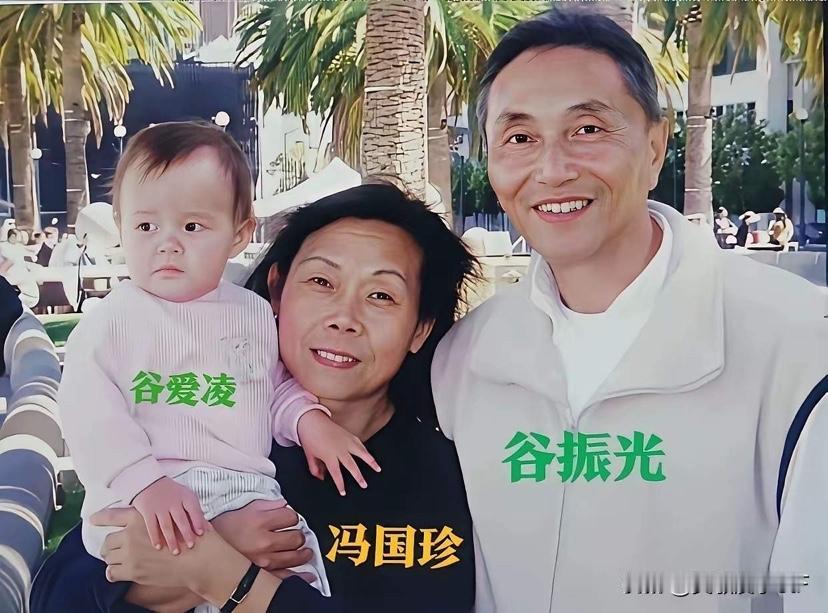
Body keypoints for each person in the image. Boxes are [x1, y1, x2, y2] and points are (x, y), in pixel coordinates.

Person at [430, 8, 827, 613]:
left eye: (588, 129)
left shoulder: (797, 351)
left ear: (656, 145)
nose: (553, 170)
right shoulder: (465, 359)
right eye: (519, 138)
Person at [30, 182, 478, 613]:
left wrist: (221, 570)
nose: (344, 318)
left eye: (381, 295)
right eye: (322, 281)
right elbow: (59, 593)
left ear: (420, 328)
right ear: (277, 290)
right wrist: (201, 549)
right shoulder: (200, 429)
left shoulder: (446, 476)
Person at [53, 123, 387, 611]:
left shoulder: (250, 313)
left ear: (239, 235)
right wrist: (145, 482)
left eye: (192, 227)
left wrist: (309, 421)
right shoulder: (112, 321)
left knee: (295, 555)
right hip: (142, 496)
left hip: (242, 488)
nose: (168, 243)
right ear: (121, 227)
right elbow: (89, 414)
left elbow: (269, 384)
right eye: (145, 227)